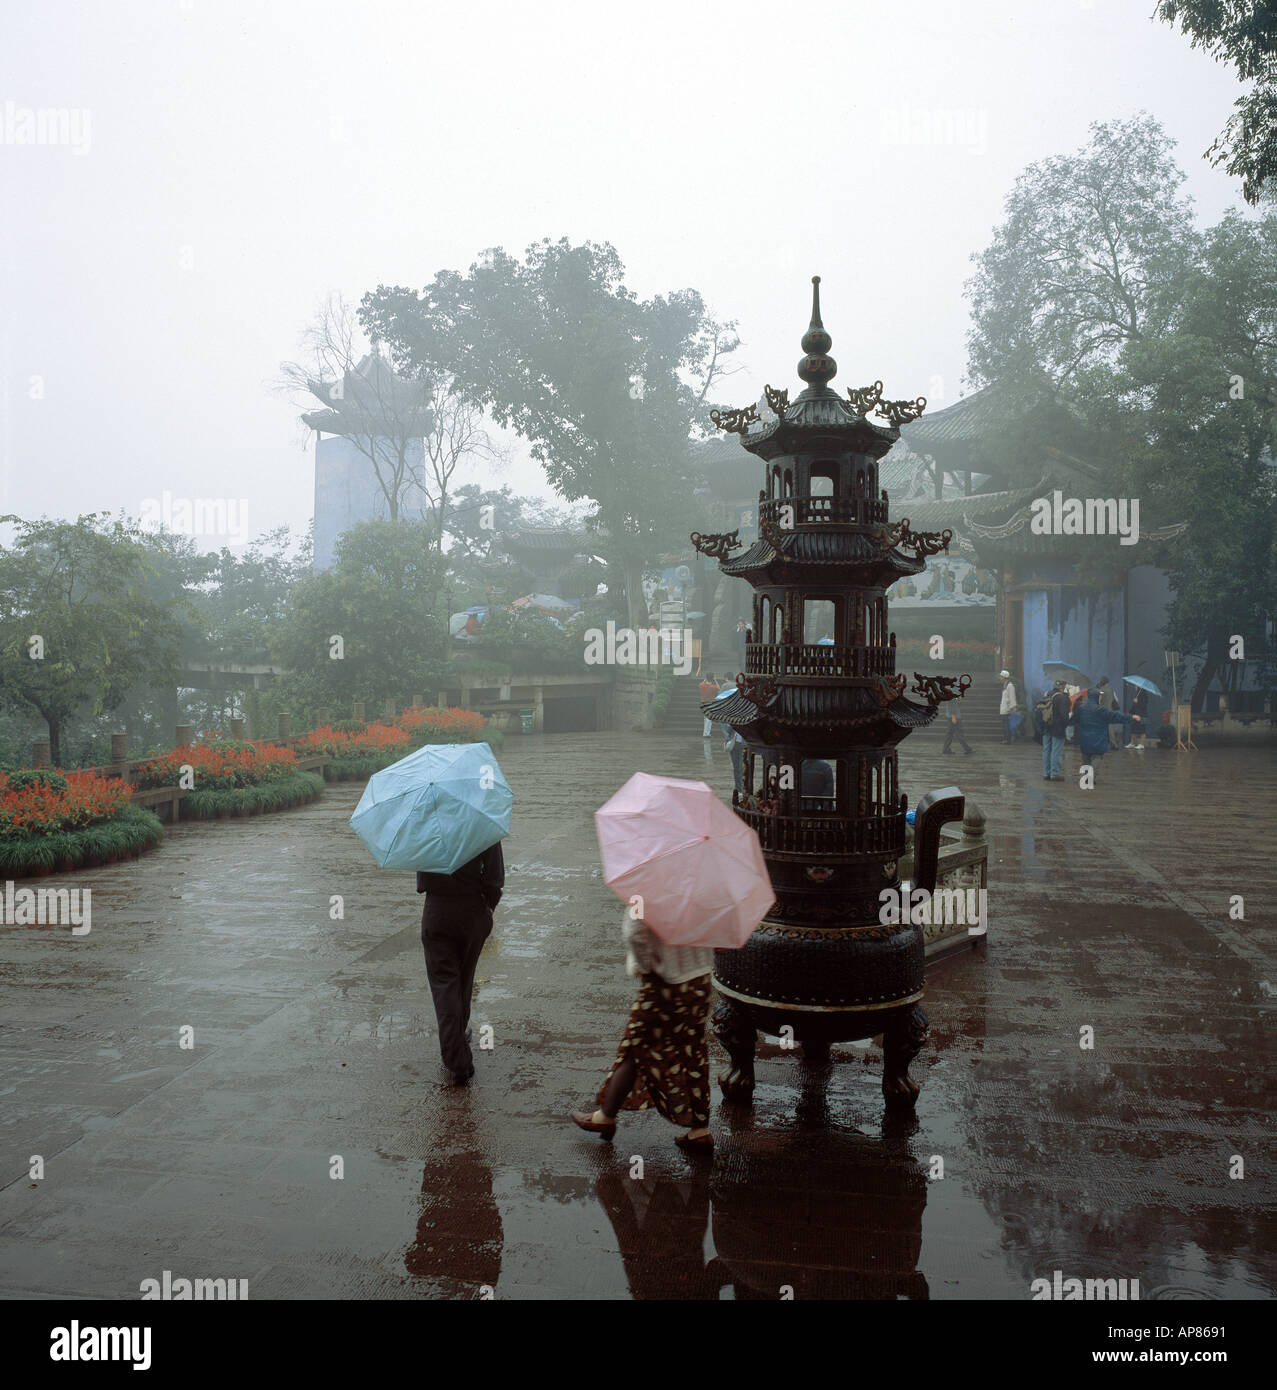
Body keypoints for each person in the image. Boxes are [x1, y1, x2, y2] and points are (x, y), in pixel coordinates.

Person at [571, 907, 715, 1150]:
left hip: (665, 983)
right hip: (699, 981)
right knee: (693, 1053)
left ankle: (605, 1117)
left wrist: (646, 965)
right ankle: (700, 1131)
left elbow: (635, 931)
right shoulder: (704, 888)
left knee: (636, 1045)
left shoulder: (652, 882)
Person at [416, 841, 504, 1085]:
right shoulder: (482, 819)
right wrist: (489, 909)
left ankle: (456, 1053)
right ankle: (458, 1049)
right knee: (464, 980)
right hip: (472, 910)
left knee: (445, 985)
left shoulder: (425, 818)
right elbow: (495, 879)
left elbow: (421, 872)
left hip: (437, 909)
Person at [1076, 688, 1136, 779]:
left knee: (1086, 758)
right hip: (1098, 739)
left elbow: (1073, 720)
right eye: (1100, 696)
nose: (1101, 698)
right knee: (1097, 757)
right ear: (1096, 697)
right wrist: (1130, 717)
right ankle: (1089, 777)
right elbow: (1115, 716)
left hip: (1085, 739)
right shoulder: (1101, 710)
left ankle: (1086, 778)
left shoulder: (1081, 708)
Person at [1041, 679, 1071, 781]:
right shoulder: (1062, 697)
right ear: (1063, 686)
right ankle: (1054, 774)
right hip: (1057, 728)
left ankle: (1046, 773)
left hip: (1046, 726)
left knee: (1046, 750)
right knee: (1056, 751)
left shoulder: (1048, 694)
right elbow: (1064, 715)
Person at [1095, 676, 1122, 750]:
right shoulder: (1111, 690)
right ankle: (1114, 744)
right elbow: (1115, 700)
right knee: (1110, 729)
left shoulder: (1100, 691)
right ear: (1107, 683)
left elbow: (1099, 701)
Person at [999, 669, 1019, 742]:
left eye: (1001, 676)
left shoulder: (1010, 686)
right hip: (1003, 708)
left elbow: (1012, 697)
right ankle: (1006, 738)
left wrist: (1013, 707)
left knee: (1007, 725)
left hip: (1007, 709)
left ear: (1004, 677)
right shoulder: (1005, 685)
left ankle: (1008, 739)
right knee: (1004, 725)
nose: (1000, 678)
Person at [724, 726, 746, 792]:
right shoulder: (733, 718)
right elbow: (727, 729)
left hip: (744, 745)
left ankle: (742, 788)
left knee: (742, 768)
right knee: (737, 768)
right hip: (734, 744)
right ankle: (739, 788)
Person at [698, 671, 720, 737]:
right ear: (712, 678)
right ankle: (706, 734)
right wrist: (715, 680)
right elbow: (718, 688)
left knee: (706, 719)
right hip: (710, 703)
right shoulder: (713, 687)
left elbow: (700, 684)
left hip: (703, 703)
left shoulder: (702, 685)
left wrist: (705, 680)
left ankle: (706, 733)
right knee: (708, 719)